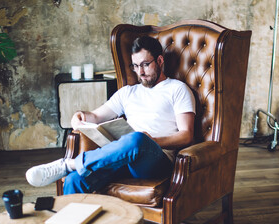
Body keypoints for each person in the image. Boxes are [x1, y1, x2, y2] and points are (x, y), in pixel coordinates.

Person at [26, 36, 196, 194]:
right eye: (135, 66)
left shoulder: (177, 89)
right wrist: (80, 116)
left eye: (145, 64)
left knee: (137, 139)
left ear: (159, 61)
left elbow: (186, 135)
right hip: (124, 157)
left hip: (156, 160)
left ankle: (70, 163)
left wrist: (151, 141)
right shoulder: (127, 93)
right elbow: (95, 116)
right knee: (74, 180)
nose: (140, 72)